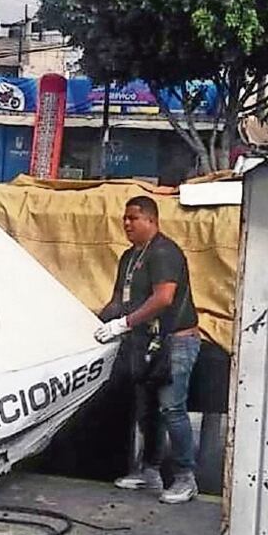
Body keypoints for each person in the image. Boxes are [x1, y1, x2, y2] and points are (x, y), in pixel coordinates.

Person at [94, 195, 201, 504]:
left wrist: (124, 323)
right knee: (146, 408)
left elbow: (164, 297)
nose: (127, 224)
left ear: (152, 221)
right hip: (145, 343)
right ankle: (149, 470)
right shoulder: (129, 258)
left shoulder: (164, 252)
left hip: (175, 341)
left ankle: (185, 478)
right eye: (124, 218)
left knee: (172, 408)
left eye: (134, 218)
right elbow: (118, 300)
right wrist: (98, 321)